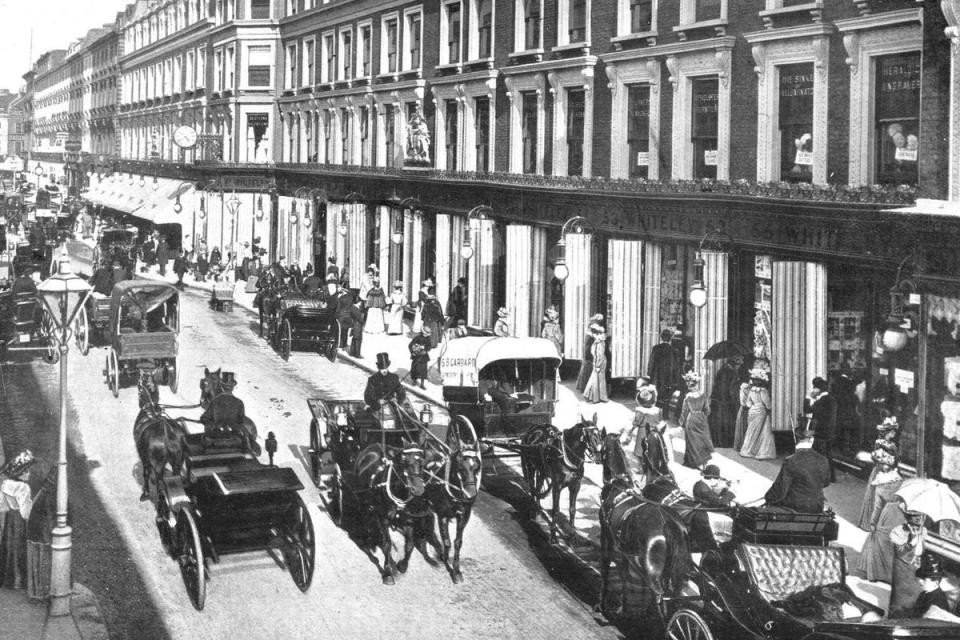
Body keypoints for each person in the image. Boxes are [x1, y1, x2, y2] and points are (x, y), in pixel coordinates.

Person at [764, 427, 831, 513]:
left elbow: (779, 489)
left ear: (795, 439)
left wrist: (768, 497)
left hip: (796, 507)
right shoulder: (823, 460)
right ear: (812, 440)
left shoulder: (791, 460)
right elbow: (826, 482)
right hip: (817, 506)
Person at [857, 415, 903, 532]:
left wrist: (891, 463)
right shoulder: (881, 443)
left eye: (894, 431)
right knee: (876, 498)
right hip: (880, 472)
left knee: (886, 497)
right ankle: (872, 523)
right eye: (892, 431)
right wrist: (884, 461)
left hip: (888, 471)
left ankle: (881, 523)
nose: (894, 433)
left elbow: (896, 460)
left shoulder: (892, 445)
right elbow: (878, 457)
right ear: (887, 431)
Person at [199, 372, 259, 454]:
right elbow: (241, 421)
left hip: (215, 440)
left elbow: (203, 418)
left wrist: (214, 425)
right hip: (235, 441)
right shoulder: (239, 403)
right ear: (233, 388)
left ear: (221, 387)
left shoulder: (215, 401)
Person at [888, 508, 930, 616]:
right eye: (914, 516)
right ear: (907, 517)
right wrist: (911, 543)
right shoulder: (899, 531)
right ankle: (897, 616)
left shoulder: (923, 530)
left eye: (920, 515)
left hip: (917, 565)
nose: (918, 518)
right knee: (901, 596)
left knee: (917, 593)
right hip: (902, 567)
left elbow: (924, 548)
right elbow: (900, 553)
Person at [739, 364, 776, 460]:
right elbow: (768, 404)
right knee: (759, 432)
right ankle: (752, 451)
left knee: (751, 431)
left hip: (752, 412)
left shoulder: (751, 390)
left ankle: (747, 450)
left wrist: (754, 406)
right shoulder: (763, 391)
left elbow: (748, 403)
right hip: (760, 411)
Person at [806, 376, 838, 482]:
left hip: (821, 432)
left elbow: (808, 410)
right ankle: (831, 476)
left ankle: (822, 477)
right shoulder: (831, 399)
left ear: (818, 389)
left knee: (819, 455)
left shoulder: (822, 401)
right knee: (828, 454)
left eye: (814, 388)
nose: (813, 390)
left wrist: (809, 398)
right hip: (829, 431)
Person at [680, 371, 713, 469]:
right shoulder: (703, 395)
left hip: (691, 419)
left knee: (691, 441)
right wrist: (703, 416)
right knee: (703, 440)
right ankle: (704, 463)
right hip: (701, 418)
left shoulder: (687, 398)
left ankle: (692, 462)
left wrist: (681, 423)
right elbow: (707, 410)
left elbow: (684, 412)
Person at [709, 355, 743, 448]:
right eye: (738, 365)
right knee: (726, 421)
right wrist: (736, 399)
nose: (739, 367)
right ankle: (725, 442)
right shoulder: (732, 373)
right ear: (734, 365)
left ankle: (717, 441)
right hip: (726, 401)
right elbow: (732, 390)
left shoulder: (721, 370)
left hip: (716, 399)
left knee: (717, 421)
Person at [649, 329, 680, 419]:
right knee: (667, 395)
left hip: (657, 376)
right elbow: (676, 366)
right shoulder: (674, 350)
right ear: (670, 339)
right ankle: (665, 415)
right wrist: (676, 378)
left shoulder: (656, 348)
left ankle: (657, 414)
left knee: (658, 394)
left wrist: (650, 374)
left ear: (661, 338)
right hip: (669, 377)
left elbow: (651, 362)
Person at [907, 553, 950, 618]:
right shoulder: (923, 594)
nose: (920, 581)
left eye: (924, 579)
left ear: (936, 583)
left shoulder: (939, 604)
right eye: (920, 577)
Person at [576, 315, 604, 392]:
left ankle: (584, 386)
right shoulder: (592, 330)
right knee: (588, 367)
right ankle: (585, 387)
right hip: (590, 350)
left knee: (587, 367)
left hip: (590, 349)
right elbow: (588, 343)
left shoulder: (592, 330)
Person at [583, 326, 608, 403]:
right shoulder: (599, 341)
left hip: (599, 362)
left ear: (597, 334)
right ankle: (595, 396)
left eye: (594, 334)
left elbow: (599, 355)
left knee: (598, 380)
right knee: (597, 380)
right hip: (598, 361)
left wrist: (597, 365)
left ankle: (596, 397)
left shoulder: (599, 342)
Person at [334, 281, 356, 348]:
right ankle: (344, 344)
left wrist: (336, 315)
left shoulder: (341, 298)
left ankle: (340, 344)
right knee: (346, 331)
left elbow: (338, 308)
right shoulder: (350, 298)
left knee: (340, 330)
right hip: (348, 316)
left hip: (341, 316)